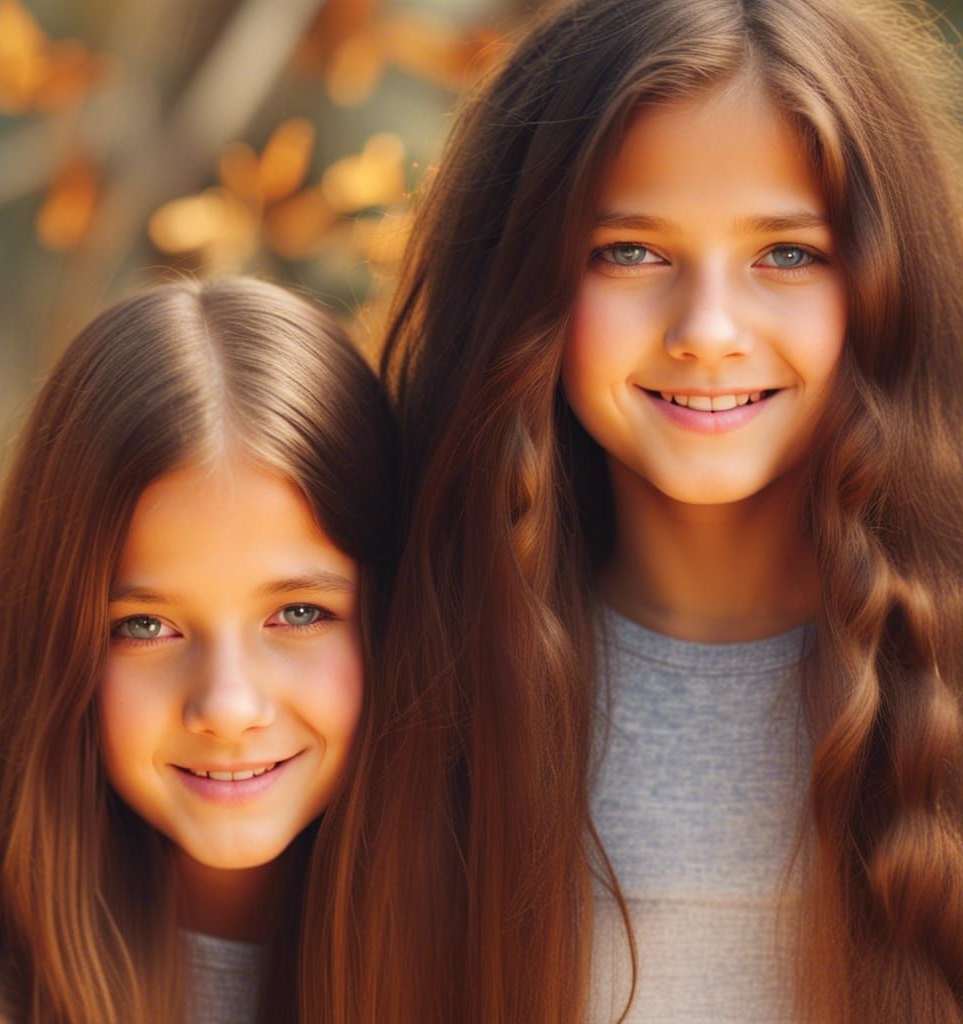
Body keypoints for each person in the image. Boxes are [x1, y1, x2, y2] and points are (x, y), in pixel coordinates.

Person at [325, 0, 963, 1021]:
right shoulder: (408, 671)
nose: (707, 330)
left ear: (887, 290)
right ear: (523, 279)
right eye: (629, 251)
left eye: (785, 253)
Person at [0, 277, 395, 1023]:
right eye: (146, 627)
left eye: (299, 612)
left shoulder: (505, 952)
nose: (227, 706)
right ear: (51, 647)